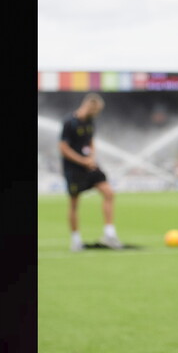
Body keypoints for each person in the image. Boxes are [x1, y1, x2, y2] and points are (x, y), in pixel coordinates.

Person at [59, 92, 122, 251]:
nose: (97, 114)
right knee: (74, 203)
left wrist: (92, 158)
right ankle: (76, 240)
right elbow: (63, 148)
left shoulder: (90, 122)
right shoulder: (69, 122)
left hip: (90, 166)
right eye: (96, 110)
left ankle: (109, 234)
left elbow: (91, 142)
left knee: (109, 193)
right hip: (73, 169)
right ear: (89, 105)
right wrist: (82, 161)